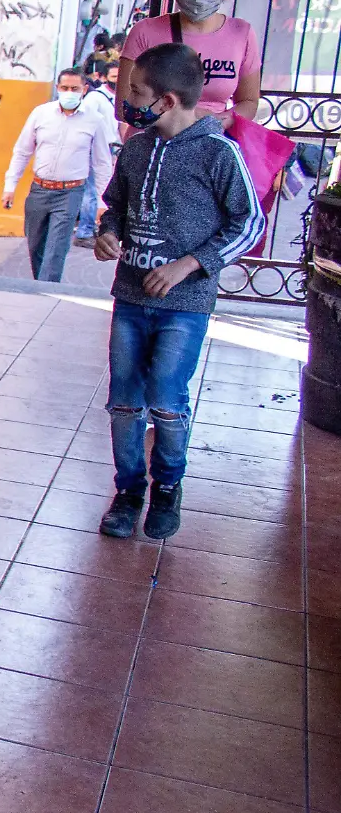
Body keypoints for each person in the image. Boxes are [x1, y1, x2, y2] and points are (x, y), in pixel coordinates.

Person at [94, 40, 263, 539]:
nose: (130, 100)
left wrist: (189, 265)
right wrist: (110, 232)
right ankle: (128, 492)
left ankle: (168, 486)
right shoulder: (137, 147)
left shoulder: (219, 153)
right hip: (130, 299)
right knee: (123, 401)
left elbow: (248, 224)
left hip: (184, 307)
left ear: (166, 100)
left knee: (167, 397)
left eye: (137, 92)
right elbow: (116, 207)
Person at [119, 0, 261, 126]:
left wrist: (215, 122)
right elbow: (123, 107)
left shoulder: (241, 33)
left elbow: (249, 102)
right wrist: (192, 118)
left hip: (209, 146)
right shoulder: (145, 32)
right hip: (151, 146)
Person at [3, 68, 116, 281]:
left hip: (70, 192)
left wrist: (103, 202)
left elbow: (102, 164)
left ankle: (46, 289)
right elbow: (22, 151)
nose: (69, 92)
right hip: (39, 189)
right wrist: (10, 187)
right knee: (35, 243)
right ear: (57, 89)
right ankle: (41, 284)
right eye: (65, 88)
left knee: (57, 247)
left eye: (74, 88)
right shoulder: (40, 114)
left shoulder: (95, 120)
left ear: (84, 90)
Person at [75, 60, 121, 246]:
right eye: (113, 77)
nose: (117, 80)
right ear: (103, 78)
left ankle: (90, 227)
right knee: (91, 192)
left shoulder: (117, 97)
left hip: (109, 148)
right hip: (93, 149)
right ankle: (84, 232)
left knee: (99, 189)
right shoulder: (95, 98)